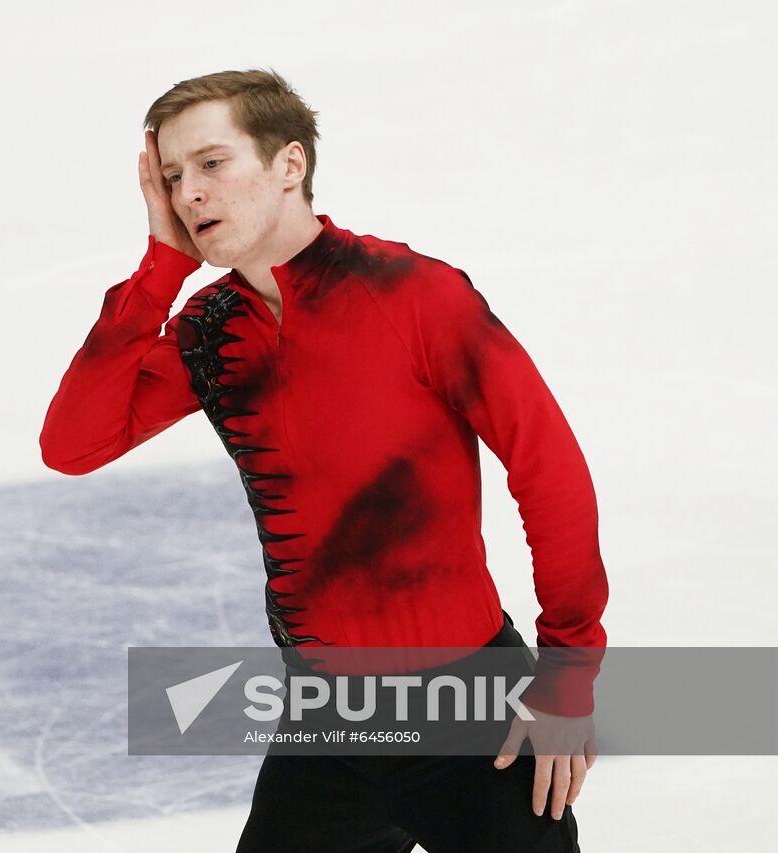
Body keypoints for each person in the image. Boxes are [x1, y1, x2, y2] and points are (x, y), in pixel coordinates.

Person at [38, 68, 607, 852]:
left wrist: (569, 669)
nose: (189, 193)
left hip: (470, 713)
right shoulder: (210, 331)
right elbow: (72, 444)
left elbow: (549, 469)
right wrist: (161, 267)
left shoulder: (416, 296)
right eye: (172, 177)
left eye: (211, 164)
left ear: (289, 165)